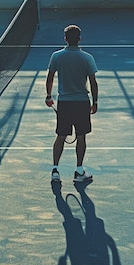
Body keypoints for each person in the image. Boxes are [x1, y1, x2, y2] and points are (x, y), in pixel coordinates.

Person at [45, 25, 98, 183]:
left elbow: (50, 78)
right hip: (82, 103)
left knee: (60, 136)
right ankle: (79, 171)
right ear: (79, 39)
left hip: (64, 104)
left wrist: (48, 96)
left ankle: (55, 170)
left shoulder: (56, 56)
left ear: (65, 39)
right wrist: (95, 102)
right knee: (81, 137)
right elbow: (93, 83)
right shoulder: (87, 57)